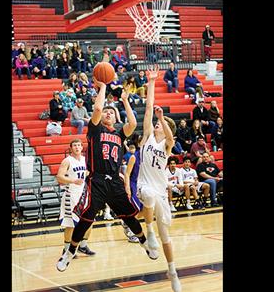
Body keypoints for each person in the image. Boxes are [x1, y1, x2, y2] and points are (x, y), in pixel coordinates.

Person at [56, 74, 156, 272]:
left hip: (115, 182)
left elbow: (133, 124)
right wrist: (102, 87)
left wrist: (126, 101)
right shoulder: (94, 130)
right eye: (106, 113)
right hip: (97, 180)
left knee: (128, 217)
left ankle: (145, 243)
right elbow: (99, 108)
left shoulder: (119, 134)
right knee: (86, 218)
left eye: (112, 112)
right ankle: (70, 252)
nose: (108, 113)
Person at [136, 66, 182, 292]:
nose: (155, 124)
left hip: (161, 191)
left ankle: (172, 270)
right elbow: (147, 109)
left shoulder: (166, 145)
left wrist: (163, 119)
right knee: (147, 195)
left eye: (160, 124)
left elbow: (172, 137)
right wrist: (151, 82)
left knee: (167, 237)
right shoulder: (146, 138)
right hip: (145, 187)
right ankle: (149, 232)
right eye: (156, 123)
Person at [56, 139, 95, 257]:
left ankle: (83, 246)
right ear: (71, 148)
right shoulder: (67, 161)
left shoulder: (85, 160)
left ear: (82, 147)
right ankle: (67, 249)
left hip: (84, 194)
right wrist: (73, 180)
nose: (77, 147)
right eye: (74, 145)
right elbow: (59, 177)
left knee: (89, 221)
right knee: (71, 224)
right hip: (71, 194)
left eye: (79, 145)